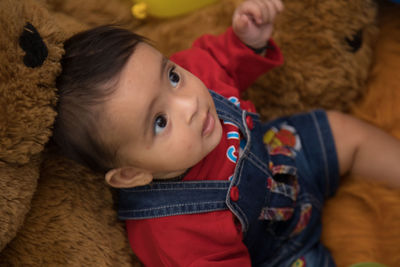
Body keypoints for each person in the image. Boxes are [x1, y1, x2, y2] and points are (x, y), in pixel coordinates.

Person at [53, 0, 400, 266]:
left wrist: (246, 40)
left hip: (280, 154)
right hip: (281, 253)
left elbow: (217, 58)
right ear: (131, 173)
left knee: (339, 130)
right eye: (160, 122)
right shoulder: (174, 235)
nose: (188, 104)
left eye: (172, 76)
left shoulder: (192, 73)